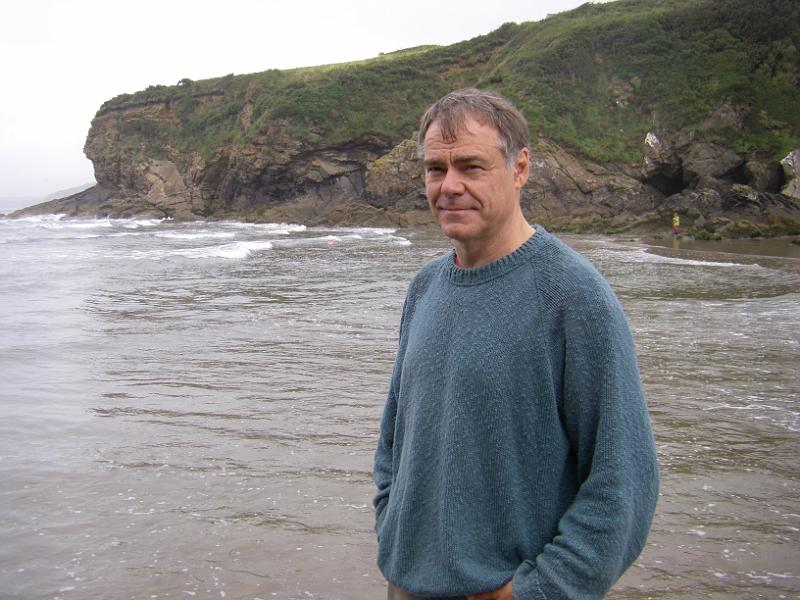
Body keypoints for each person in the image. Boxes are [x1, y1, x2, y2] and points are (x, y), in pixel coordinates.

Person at [372, 88, 659, 600]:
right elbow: (396, 432)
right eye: (436, 169)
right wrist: (392, 526)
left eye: (472, 167)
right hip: (405, 585)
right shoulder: (424, 287)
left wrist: (538, 591)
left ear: (520, 168)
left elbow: (624, 482)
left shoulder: (574, 296)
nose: (450, 186)